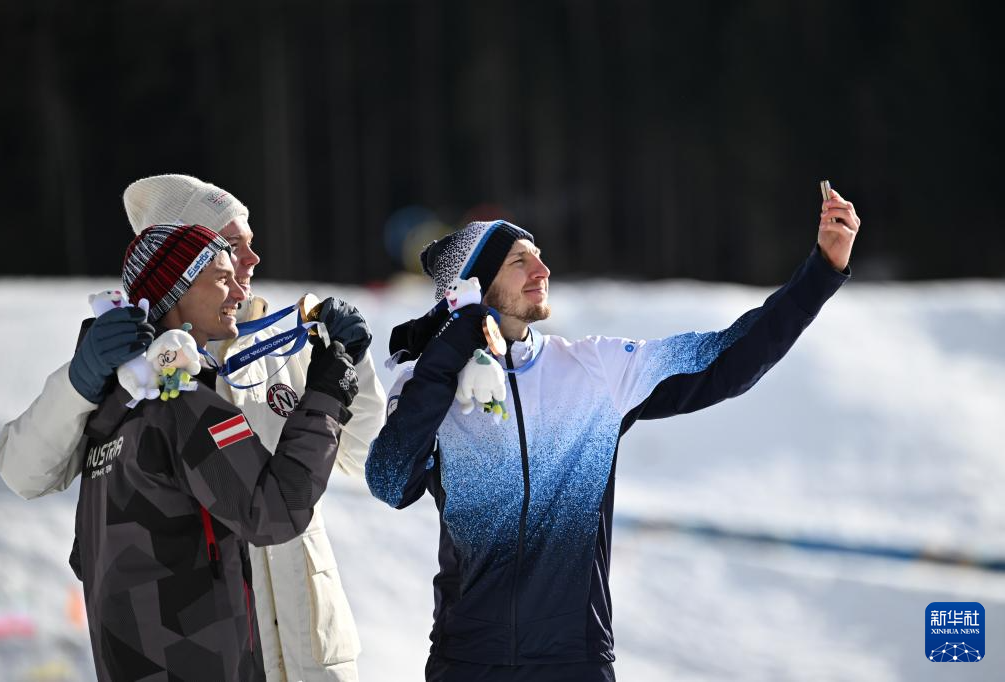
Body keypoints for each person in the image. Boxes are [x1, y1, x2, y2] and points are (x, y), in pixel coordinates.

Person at [366, 189, 861, 680]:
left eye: (539, 257)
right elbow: (390, 482)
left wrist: (821, 271)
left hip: (575, 662)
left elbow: (725, 360)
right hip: (468, 663)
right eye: (520, 261)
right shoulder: (424, 385)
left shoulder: (592, 370)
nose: (543, 271)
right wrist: (447, 357)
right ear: (474, 287)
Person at [0, 175, 385, 682]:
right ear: (186, 261)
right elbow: (23, 472)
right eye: (233, 245)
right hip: (208, 648)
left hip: (309, 647)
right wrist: (79, 381)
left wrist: (354, 361)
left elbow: (365, 455)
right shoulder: (123, 365)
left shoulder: (282, 341)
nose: (253, 259)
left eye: (249, 242)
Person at [74, 223, 360, 680]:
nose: (239, 293)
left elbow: (86, 557)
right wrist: (328, 394)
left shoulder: (114, 404)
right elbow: (275, 509)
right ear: (177, 290)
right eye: (222, 279)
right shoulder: (180, 403)